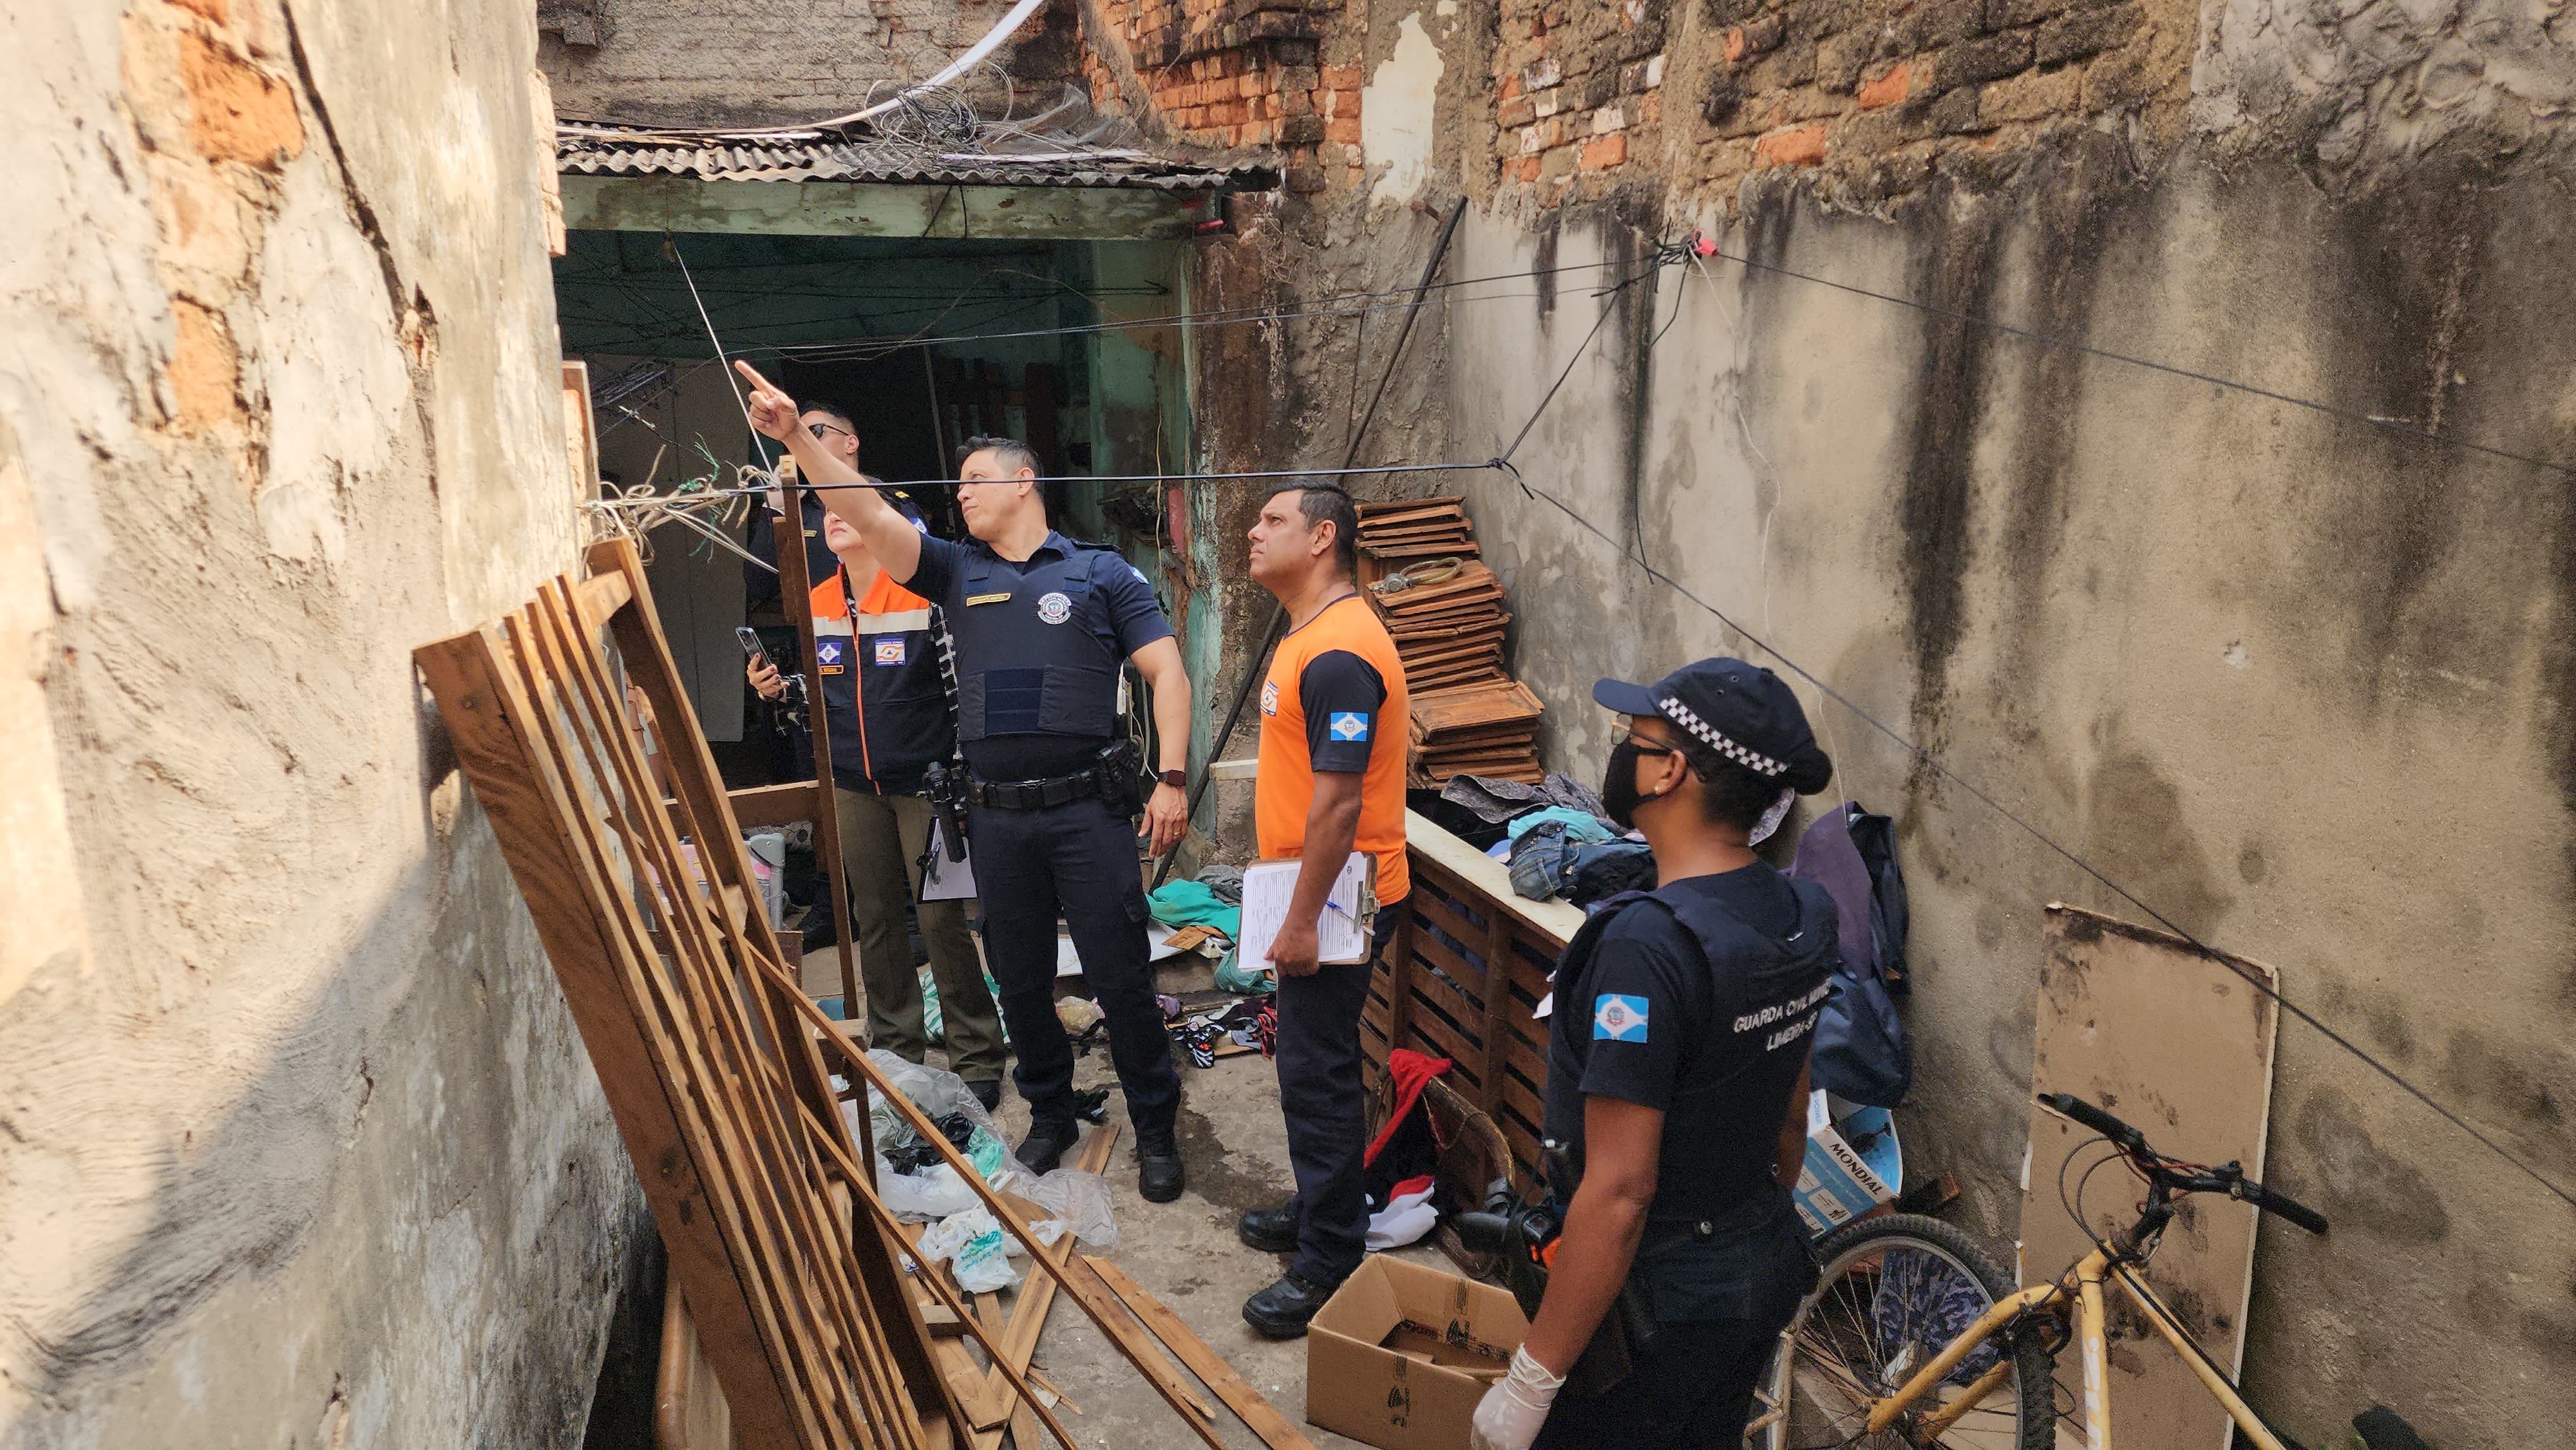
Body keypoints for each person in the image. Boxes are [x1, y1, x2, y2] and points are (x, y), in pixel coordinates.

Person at [734, 360, 1197, 1203]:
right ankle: (1050, 1113)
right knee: (1016, 978)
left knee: (1121, 974)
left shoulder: (1100, 574)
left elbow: (1167, 672)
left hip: (1089, 814)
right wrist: (798, 439)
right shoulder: (954, 572)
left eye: (977, 481)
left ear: (1026, 483)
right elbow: (868, 513)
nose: (962, 496)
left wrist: (1171, 778)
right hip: (996, 821)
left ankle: (1156, 1124)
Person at [1470, 658, 1839, 1450]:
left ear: (1671, 768)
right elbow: (1790, 1113)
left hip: (1649, 1308)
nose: (1622, 753)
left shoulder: (1646, 944)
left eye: (1635, 737)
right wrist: (1738, 1242)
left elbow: (1621, 1188)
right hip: (1759, 1265)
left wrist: (1531, 1378)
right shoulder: (1802, 909)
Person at [749, 499, 1009, 1108]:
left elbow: (963, 691)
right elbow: (813, 707)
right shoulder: (815, 603)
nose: (834, 517)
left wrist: (966, 778)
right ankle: (896, 1048)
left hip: (928, 781)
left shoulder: (924, 595)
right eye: (827, 512)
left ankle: (975, 1054)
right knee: (876, 917)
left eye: (850, 506)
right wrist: (776, 691)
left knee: (942, 917)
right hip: (850, 782)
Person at [1232, 482, 1412, 1337]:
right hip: (1313, 889)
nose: (1253, 531)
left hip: (1338, 900)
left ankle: (1330, 1259)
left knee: (1317, 1074)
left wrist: (1300, 922)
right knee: (1310, 1065)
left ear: (1322, 539)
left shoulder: (1340, 651)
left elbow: (1340, 807)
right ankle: (1320, 1210)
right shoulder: (1311, 635)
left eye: (1273, 521)